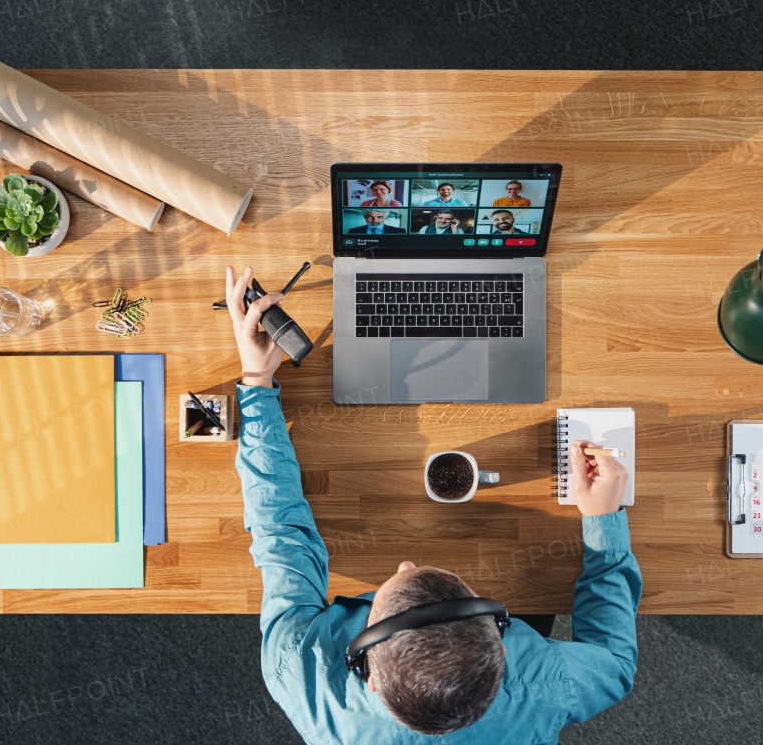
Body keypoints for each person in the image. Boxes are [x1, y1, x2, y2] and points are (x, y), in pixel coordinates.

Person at [225, 265, 640, 744]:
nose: (406, 562)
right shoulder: (545, 683)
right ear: (502, 653)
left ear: (370, 674)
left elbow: (280, 531)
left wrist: (257, 382)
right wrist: (604, 522)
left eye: (399, 578)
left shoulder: (297, 666)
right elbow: (614, 663)